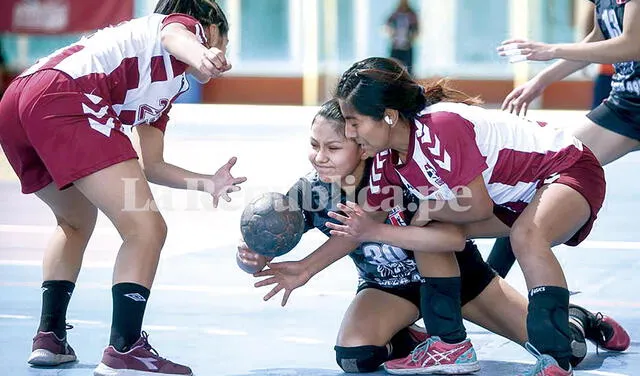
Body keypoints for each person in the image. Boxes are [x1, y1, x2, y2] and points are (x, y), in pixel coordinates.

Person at [237, 99, 629, 374]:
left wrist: (380, 228)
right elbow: (282, 231)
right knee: (356, 356)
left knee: (566, 350)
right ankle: (416, 336)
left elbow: (450, 238)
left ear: (365, 146)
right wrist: (256, 256)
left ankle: (579, 319)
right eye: (314, 145)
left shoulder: (406, 175)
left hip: (458, 280)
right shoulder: (313, 189)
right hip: (388, 287)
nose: (319, 156)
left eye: (333, 146)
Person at [0, 1, 246, 375]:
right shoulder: (181, 27)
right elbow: (174, 33)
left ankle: (49, 337)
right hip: (65, 96)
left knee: (74, 221)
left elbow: (153, 166)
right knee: (146, 229)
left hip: (19, 101)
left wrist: (207, 182)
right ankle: (125, 348)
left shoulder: (161, 86)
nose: (222, 52)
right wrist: (203, 53)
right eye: (223, 42)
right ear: (211, 30)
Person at [327, 57, 611, 376]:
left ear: (389, 116)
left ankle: (556, 358)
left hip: (565, 169)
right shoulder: (388, 157)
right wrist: (301, 269)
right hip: (513, 198)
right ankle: (450, 346)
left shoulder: (439, 126)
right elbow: (362, 223)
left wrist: (427, 208)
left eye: (354, 122)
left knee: (526, 236)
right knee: (428, 232)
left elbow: (478, 208)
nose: (350, 132)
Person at [489, 0, 638, 356]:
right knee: (544, 176)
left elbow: (632, 43)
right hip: (625, 106)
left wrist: (549, 49)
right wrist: (541, 81)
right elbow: (598, 40)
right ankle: (484, 282)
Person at [385, 0, 419, 75]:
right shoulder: (395, 15)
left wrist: (412, 37)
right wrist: (391, 33)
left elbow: (416, 29)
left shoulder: (412, 15)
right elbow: (387, 25)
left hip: (407, 45)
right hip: (396, 45)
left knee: (409, 69)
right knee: (393, 68)